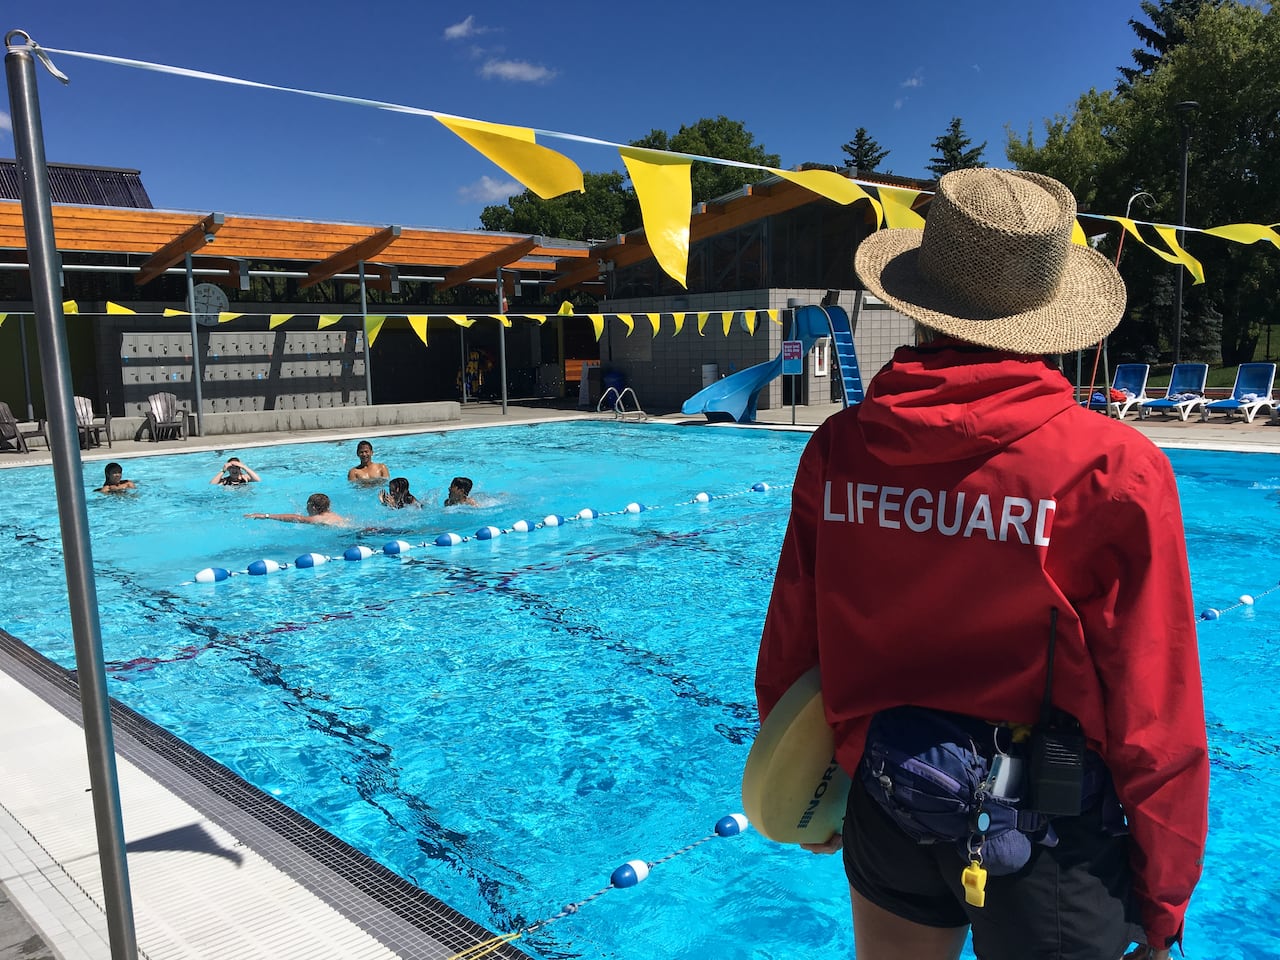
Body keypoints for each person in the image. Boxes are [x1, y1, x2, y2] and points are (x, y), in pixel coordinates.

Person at [754, 169, 1207, 960]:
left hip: (886, 799)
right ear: (1047, 315)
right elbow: (1155, 707)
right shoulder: (1111, 468)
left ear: (919, 302)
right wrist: (1163, 901)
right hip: (1047, 837)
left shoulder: (839, 449)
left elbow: (793, 644)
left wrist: (809, 791)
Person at [246, 493, 346, 526]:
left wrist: (266, 516)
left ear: (313, 507)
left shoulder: (318, 518)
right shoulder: (333, 515)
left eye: (307, 506)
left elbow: (295, 517)